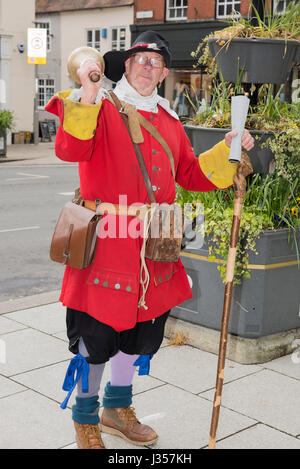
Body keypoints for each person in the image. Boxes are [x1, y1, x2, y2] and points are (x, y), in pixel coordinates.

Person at [45, 30, 254, 450]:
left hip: (154, 245)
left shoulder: (169, 120)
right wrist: (87, 93)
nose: (147, 67)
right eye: (140, 59)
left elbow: (191, 175)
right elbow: (69, 149)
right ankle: (85, 417)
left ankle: (116, 408)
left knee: (142, 333)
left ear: (163, 74)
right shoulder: (100, 106)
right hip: (107, 241)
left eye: (156, 62)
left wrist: (229, 150)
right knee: (96, 339)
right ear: (126, 65)